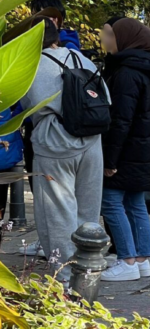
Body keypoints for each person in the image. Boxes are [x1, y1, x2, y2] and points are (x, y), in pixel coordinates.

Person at [21, 17, 105, 280]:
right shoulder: (82, 59)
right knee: (88, 210)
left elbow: (26, 103)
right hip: (92, 141)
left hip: (54, 142)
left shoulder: (31, 66)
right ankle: (90, 270)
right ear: (58, 36)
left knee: (57, 212)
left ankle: (65, 276)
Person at [98, 19, 150, 281]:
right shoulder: (149, 69)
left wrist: (109, 159)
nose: (106, 40)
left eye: (110, 35)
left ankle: (126, 259)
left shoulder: (126, 73)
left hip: (127, 148)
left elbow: (120, 120)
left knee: (112, 202)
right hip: (144, 148)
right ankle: (141, 259)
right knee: (136, 202)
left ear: (125, 39)